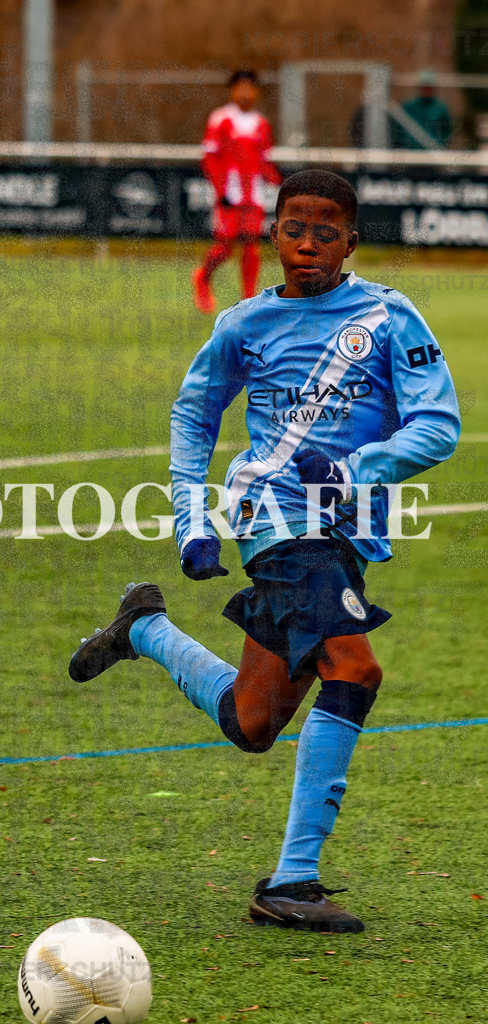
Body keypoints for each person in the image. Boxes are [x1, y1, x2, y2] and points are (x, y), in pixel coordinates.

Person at [71, 170, 459, 933]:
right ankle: (292, 883)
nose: (307, 246)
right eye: (293, 230)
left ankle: (143, 628)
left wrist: (354, 469)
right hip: (276, 519)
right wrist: (191, 517)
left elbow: (436, 426)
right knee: (354, 666)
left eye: (325, 232)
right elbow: (194, 416)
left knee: (252, 722)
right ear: (272, 235)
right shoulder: (242, 324)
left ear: (351, 241)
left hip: (345, 529)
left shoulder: (389, 316)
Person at [192, 69, 281, 314]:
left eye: (250, 87)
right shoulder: (221, 119)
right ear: (233, 90)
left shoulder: (261, 123)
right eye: (240, 87)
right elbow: (209, 158)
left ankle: (248, 301)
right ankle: (202, 277)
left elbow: (265, 161)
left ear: (256, 91)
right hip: (229, 193)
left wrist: (275, 180)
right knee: (226, 246)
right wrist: (219, 190)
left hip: (253, 193)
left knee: (251, 243)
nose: (245, 92)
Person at [396, 70, 453, 149]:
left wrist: (439, 145)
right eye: (424, 88)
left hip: (433, 154)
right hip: (411, 153)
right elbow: (399, 129)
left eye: (429, 88)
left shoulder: (441, 108)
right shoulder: (409, 107)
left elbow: (447, 131)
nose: (427, 91)